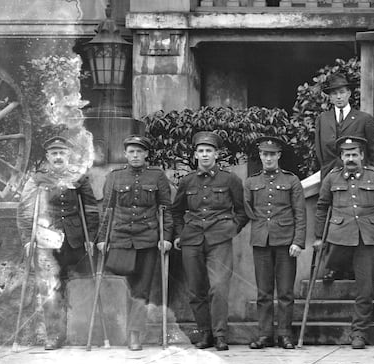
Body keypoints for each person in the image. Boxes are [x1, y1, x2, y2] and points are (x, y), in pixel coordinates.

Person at [167, 131, 249, 351]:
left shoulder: (230, 180)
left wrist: (231, 229)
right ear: (195, 154)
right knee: (195, 289)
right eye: (201, 151)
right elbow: (176, 211)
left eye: (209, 151)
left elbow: (242, 212)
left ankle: (221, 334)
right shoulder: (187, 181)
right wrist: (179, 234)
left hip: (219, 239)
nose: (204, 155)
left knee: (219, 288)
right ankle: (205, 334)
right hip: (192, 239)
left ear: (217, 154)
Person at [315, 136, 374, 349]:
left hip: (367, 238)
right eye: (347, 155)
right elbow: (322, 206)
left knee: (366, 288)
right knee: (334, 258)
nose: (351, 159)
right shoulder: (332, 178)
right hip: (339, 235)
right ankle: (332, 267)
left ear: (362, 156)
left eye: (354, 154)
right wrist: (318, 237)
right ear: (341, 157)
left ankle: (359, 333)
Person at [17, 136, 97, 350]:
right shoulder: (37, 179)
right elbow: (25, 211)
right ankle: (54, 336)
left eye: (62, 153)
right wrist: (27, 240)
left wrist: (91, 237)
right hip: (47, 241)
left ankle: (81, 333)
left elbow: (90, 209)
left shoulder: (79, 177)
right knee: (50, 290)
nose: (59, 157)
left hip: (75, 241)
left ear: (68, 155)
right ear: (48, 157)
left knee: (80, 285)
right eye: (54, 153)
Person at [97, 135, 171, 351]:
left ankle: (134, 334)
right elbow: (107, 210)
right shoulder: (115, 177)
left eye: (139, 151)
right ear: (126, 154)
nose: (135, 155)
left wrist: (165, 236)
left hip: (147, 240)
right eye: (131, 151)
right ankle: (118, 330)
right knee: (123, 287)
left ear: (146, 154)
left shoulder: (157, 176)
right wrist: (102, 238)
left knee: (142, 289)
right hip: (120, 238)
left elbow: (166, 209)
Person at [243, 136, 306, 350]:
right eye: (264, 154)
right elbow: (246, 209)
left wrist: (298, 241)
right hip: (261, 241)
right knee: (263, 292)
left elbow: (300, 213)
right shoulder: (251, 182)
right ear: (260, 156)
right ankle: (265, 334)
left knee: (286, 292)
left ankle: (285, 335)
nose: (268, 158)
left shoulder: (291, 181)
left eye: (272, 154)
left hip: (286, 242)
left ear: (279, 155)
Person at [313, 75, 374, 176]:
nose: (339, 96)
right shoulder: (322, 119)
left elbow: (373, 153)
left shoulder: (364, 119)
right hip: (330, 177)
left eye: (342, 92)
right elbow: (319, 152)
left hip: (358, 177)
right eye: (334, 93)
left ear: (349, 93)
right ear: (330, 97)